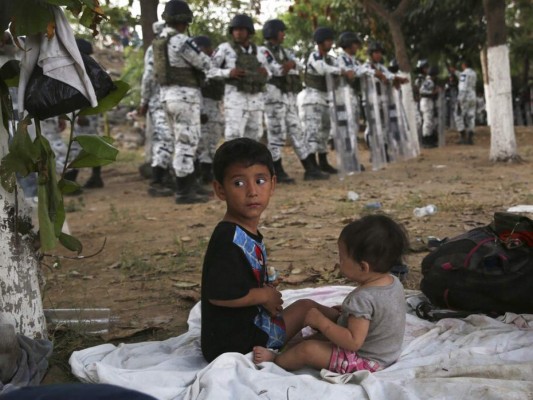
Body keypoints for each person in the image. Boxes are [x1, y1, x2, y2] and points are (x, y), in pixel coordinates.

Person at [200, 138, 338, 362]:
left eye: (260, 180)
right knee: (305, 309)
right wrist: (264, 295)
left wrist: (264, 289)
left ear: (273, 184)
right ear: (220, 189)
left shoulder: (242, 232)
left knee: (308, 319)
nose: (252, 191)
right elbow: (219, 294)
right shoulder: (228, 239)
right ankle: (346, 323)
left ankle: (341, 322)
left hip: (246, 331)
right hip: (238, 344)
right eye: (238, 183)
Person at [253, 214, 408, 374]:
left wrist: (322, 323)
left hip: (366, 360)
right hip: (386, 352)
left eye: (342, 259)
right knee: (311, 310)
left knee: (308, 350)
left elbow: (353, 343)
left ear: (363, 267)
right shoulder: (393, 282)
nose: (338, 263)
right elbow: (380, 312)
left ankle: (276, 360)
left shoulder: (362, 299)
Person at [155, 0, 213, 203]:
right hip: (184, 98)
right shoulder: (180, 40)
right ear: (185, 20)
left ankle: (189, 185)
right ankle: (184, 191)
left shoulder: (160, 40)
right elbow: (204, 62)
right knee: (187, 143)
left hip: (167, 97)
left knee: (181, 141)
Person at [259, 19, 328, 183]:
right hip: (273, 96)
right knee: (276, 134)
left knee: (297, 131)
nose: (283, 34)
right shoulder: (263, 51)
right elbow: (277, 70)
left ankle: (310, 169)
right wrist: (286, 68)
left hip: (288, 96)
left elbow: (297, 66)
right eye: (281, 31)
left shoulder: (284, 51)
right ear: (273, 32)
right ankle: (277, 170)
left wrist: (288, 67)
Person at [299, 27, 354, 175]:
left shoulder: (331, 59)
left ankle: (322, 162)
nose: (330, 44)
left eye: (331, 41)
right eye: (328, 41)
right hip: (312, 99)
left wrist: (347, 71)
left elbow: (341, 67)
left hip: (326, 99)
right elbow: (322, 69)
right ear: (320, 42)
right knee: (312, 133)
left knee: (324, 132)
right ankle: (311, 167)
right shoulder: (314, 56)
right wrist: (342, 72)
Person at [209, 14, 269, 142]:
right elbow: (209, 70)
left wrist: (266, 73)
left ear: (249, 31)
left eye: (241, 30)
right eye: (235, 30)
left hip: (255, 100)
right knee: (233, 136)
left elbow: (269, 71)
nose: (238, 33)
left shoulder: (259, 51)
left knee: (255, 137)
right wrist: (228, 73)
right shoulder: (225, 48)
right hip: (235, 100)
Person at [139, 21, 174, 197]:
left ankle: (165, 176)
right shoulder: (156, 49)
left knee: (169, 139)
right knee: (165, 138)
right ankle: (157, 181)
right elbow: (148, 77)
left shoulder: (174, 46)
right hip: (159, 101)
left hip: (171, 99)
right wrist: (144, 101)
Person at [193, 35, 225, 185]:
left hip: (214, 103)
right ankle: (199, 173)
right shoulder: (197, 65)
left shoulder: (210, 63)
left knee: (212, 139)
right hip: (204, 104)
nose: (212, 51)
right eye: (208, 48)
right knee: (202, 141)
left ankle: (207, 172)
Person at [449, 59, 477, 145]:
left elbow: (463, 86)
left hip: (465, 96)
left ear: (464, 65)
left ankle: (463, 136)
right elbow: (462, 76)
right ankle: (470, 138)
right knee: (471, 116)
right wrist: (455, 72)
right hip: (472, 96)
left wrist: (459, 100)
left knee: (458, 115)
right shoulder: (473, 73)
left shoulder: (464, 74)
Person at [419, 66, 440, 148]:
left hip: (428, 102)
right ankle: (425, 140)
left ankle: (429, 139)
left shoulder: (430, 81)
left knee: (429, 122)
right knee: (427, 121)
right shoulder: (429, 82)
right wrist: (433, 92)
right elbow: (422, 91)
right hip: (426, 102)